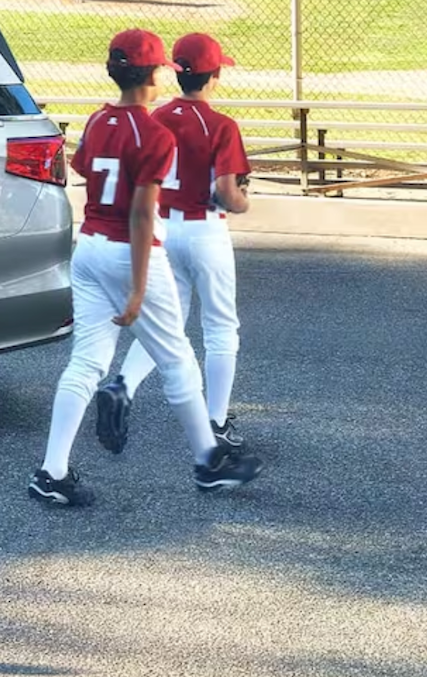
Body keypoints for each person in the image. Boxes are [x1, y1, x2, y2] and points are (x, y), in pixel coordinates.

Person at [29, 28, 261, 507]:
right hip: (127, 249)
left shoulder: (97, 121)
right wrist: (137, 288)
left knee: (87, 361)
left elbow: (87, 168)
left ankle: (51, 471)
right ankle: (208, 462)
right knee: (177, 357)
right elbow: (139, 212)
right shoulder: (152, 133)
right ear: (152, 74)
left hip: (89, 245)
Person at [95, 32, 251, 456]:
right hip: (204, 231)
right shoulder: (220, 125)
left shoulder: (155, 118)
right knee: (220, 328)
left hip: (163, 227)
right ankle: (216, 421)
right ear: (214, 76)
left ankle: (123, 386)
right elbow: (226, 192)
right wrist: (243, 202)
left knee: (169, 322)